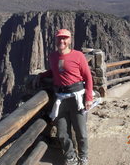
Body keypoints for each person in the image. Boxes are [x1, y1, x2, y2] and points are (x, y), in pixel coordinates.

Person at [39, 28, 93, 165]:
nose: (62, 41)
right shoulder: (52, 56)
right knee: (62, 132)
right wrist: (41, 76)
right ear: (56, 40)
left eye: (65, 38)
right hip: (60, 98)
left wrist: (88, 98)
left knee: (81, 131)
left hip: (77, 98)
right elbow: (53, 70)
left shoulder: (78, 55)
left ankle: (83, 156)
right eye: (59, 38)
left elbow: (88, 77)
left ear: (69, 40)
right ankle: (70, 156)